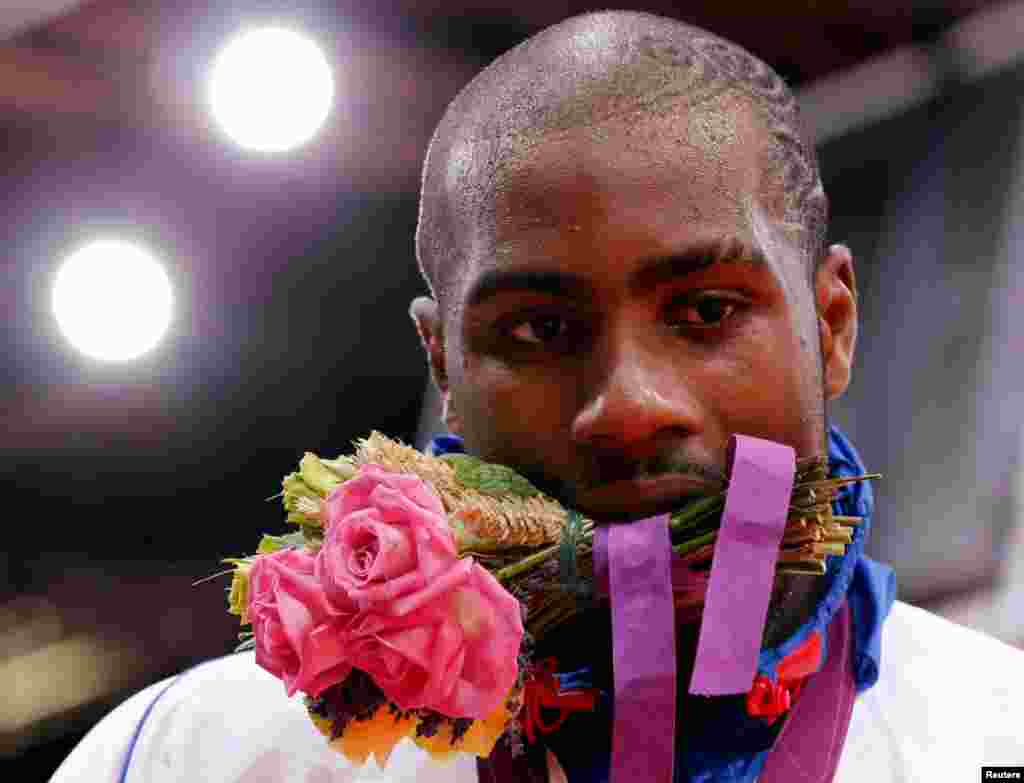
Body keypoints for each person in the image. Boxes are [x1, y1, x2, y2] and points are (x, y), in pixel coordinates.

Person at [51, 10, 1024, 783]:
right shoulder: (193, 761)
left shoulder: (995, 733)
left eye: (708, 309)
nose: (631, 406)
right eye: (538, 331)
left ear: (833, 327)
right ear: (443, 367)